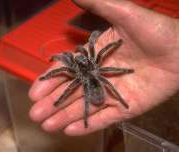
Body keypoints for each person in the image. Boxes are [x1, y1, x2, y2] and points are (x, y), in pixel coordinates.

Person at [28, 0, 179, 136]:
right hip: (94, 79)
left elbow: (69, 65)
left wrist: (50, 72)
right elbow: (94, 51)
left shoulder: (78, 73)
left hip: (90, 81)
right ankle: (107, 105)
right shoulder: (96, 67)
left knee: (82, 82)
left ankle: (97, 110)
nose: (81, 57)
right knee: (103, 76)